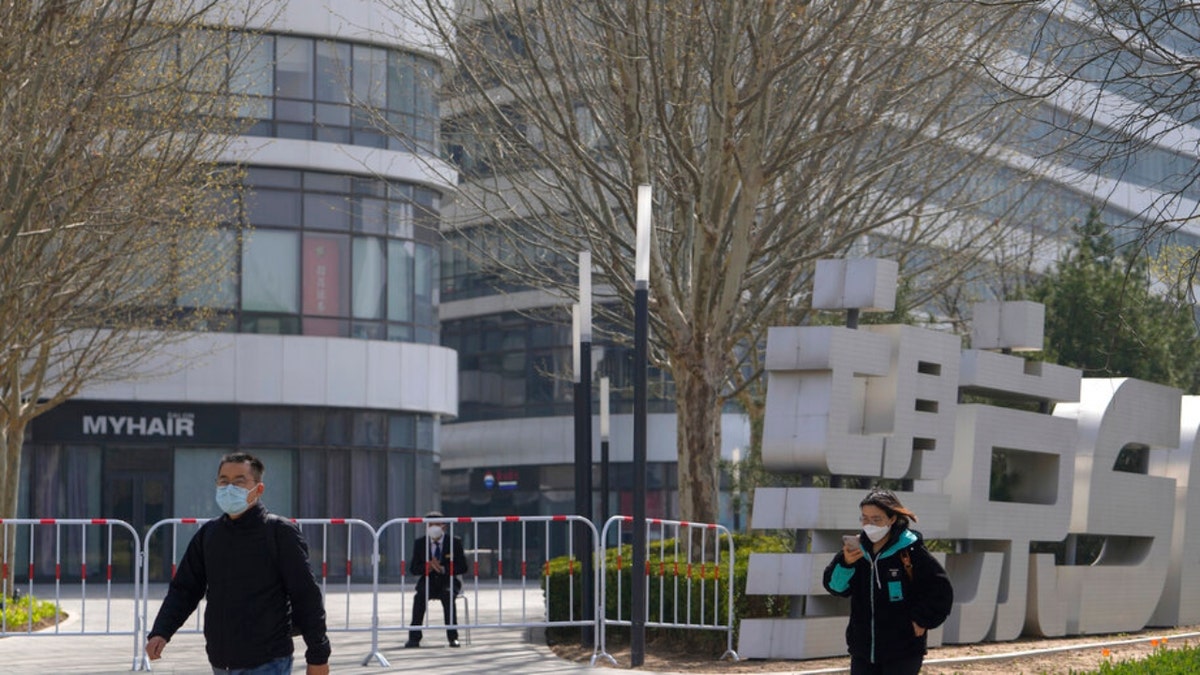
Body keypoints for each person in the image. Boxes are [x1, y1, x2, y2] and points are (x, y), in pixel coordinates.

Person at [145, 452, 331, 674]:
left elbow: (306, 596)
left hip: (267, 661)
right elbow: (184, 589)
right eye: (224, 481)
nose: (229, 487)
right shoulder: (209, 534)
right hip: (220, 661)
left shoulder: (279, 533)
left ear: (258, 489)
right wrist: (161, 631)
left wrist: (318, 657)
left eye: (239, 481)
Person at [823, 488, 953, 675]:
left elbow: (940, 589)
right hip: (863, 650)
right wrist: (845, 564)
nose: (870, 525)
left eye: (876, 519)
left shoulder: (910, 550)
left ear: (892, 519)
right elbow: (835, 587)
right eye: (865, 518)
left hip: (903, 649)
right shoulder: (857, 550)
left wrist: (921, 620)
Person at [405, 510, 467, 648]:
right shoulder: (420, 543)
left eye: (437, 525)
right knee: (419, 597)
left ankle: (453, 637)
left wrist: (444, 569)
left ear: (443, 526)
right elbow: (413, 568)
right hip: (428, 580)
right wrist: (427, 567)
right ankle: (414, 637)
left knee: (448, 595)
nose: (434, 528)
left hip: (448, 580)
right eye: (430, 525)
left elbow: (463, 567)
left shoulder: (454, 542)